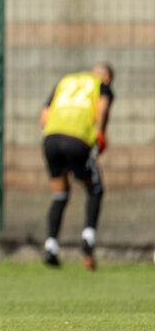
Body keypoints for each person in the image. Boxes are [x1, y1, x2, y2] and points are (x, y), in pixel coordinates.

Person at [38, 63, 114, 270]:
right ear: (107, 78)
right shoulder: (101, 86)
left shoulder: (65, 81)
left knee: (60, 194)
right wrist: (100, 134)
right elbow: (103, 107)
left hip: (51, 139)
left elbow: (43, 117)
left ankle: (51, 246)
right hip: (78, 140)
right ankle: (88, 240)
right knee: (95, 187)